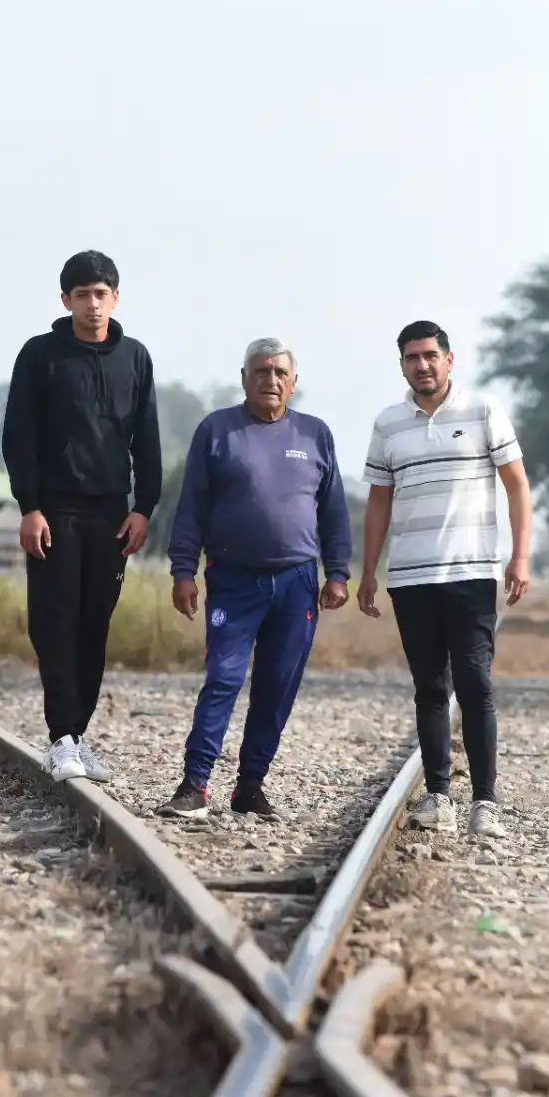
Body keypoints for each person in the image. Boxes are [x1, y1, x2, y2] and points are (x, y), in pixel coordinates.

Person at [156, 337, 352, 821]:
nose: (270, 380)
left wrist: (339, 573)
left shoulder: (315, 435)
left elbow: (333, 513)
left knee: (277, 685)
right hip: (233, 580)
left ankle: (250, 786)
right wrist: (183, 571)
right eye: (260, 371)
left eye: (279, 372)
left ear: (294, 382)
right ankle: (195, 784)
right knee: (222, 677)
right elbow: (192, 508)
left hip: (298, 582)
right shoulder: (218, 430)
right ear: (244, 378)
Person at [357, 320, 532, 839]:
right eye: (412, 358)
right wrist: (367, 570)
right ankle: (438, 795)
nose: (423, 365)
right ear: (403, 365)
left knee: (475, 685)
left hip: (472, 572)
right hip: (411, 576)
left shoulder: (482, 412)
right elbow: (378, 502)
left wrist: (518, 557)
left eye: (431, 355)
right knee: (430, 687)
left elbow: (517, 485)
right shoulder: (389, 424)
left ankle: (485, 802)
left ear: (449, 360)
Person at [1, 250, 162, 783]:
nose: (92, 304)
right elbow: (18, 438)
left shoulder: (135, 359)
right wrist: (29, 507)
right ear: (65, 299)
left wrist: (144, 508)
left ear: (116, 298)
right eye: (82, 295)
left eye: (101, 294)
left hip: (111, 518)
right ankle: (61, 738)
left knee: (95, 625)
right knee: (56, 623)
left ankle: (77, 735)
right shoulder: (41, 355)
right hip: (55, 514)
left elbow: (147, 440)